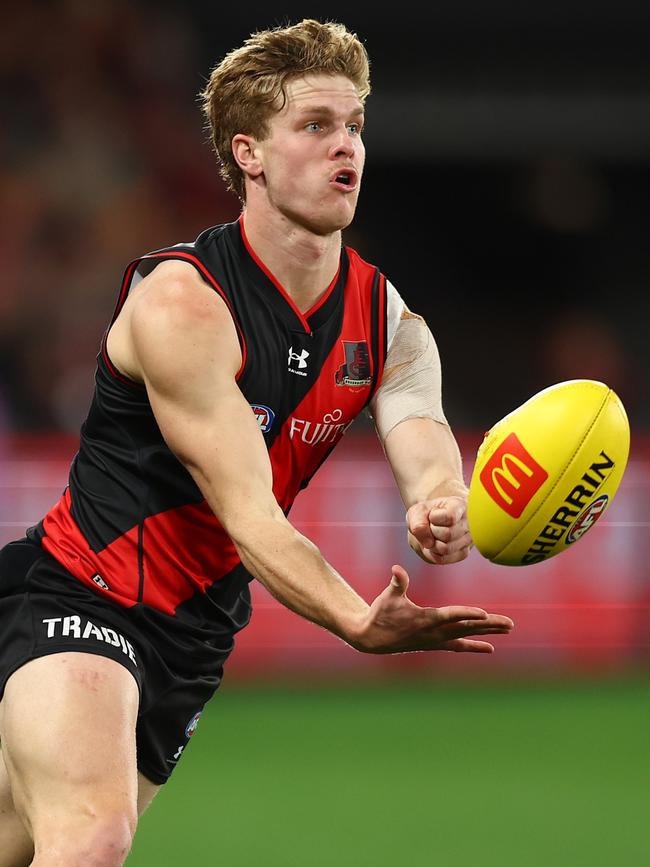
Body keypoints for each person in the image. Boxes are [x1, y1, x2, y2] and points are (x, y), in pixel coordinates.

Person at [0, 18, 514, 867]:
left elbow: (420, 428)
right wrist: (355, 616)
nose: (344, 146)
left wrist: (439, 502)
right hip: (83, 594)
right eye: (314, 125)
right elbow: (249, 514)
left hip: (193, 639)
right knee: (92, 837)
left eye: (353, 125)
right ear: (250, 154)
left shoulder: (388, 321)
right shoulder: (184, 305)